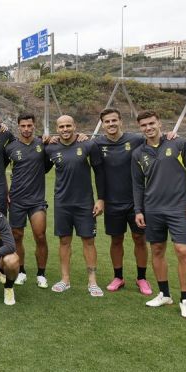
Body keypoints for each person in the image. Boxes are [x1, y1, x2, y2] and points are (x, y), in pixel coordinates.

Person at [132, 111, 186, 319]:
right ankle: (164, 294)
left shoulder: (178, 143)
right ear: (140, 128)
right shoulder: (138, 153)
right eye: (143, 125)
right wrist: (138, 210)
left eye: (151, 123)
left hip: (180, 208)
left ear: (159, 123)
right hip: (153, 209)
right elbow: (137, 185)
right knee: (157, 250)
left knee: (182, 250)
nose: (148, 127)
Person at [44, 115, 106, 297]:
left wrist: (101, 199)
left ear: (75, 126)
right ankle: (65, 280)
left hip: (84, 203)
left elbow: (99, 172)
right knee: (64, 241)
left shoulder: (87, 145)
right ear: (57, 128)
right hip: (62, 203)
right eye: (61, 126)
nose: (65, 129)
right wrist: (44, 140)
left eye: (68, 126)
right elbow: (42, 168)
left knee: (88, 241)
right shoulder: (51, 148)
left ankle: (92, 282)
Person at [95, 108, 151, 295]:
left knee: (139, 238)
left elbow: (156, 139)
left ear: (121, 121)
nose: (111, 124)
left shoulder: (136, 140)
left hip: (136, 202)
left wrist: (171, 136)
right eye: (107, 121)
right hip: (112, 202)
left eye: (114, 120)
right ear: (102, 124)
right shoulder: (97, 143)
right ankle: (118, 277)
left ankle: (141, 278)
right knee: (116, 239)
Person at [4, 113, 51, 288]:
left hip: (37, 200)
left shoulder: (42, 144)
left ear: (34, 125)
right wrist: (6, 191)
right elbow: (0, 170)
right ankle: (21, 271)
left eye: (29, 125)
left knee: (40, 235)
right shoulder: (10, 148)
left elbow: (47, 166)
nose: (26, 129)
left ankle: (41, 274)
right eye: (23, 126)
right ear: (18, 127)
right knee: (17, 236)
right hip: (16, 199)